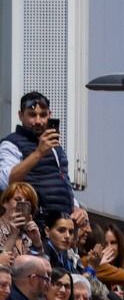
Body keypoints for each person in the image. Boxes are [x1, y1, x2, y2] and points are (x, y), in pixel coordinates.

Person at [0, 92, 85, 232]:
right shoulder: (11, 144)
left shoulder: (55, 147)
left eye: (43, 115)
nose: (38, 121)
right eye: (32, 115)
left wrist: (76, 209)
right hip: (32, 229)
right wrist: (38, 153)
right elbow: (5, 181)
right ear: (21, 115)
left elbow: (64, 185)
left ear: (50, 115)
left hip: (60, 231)